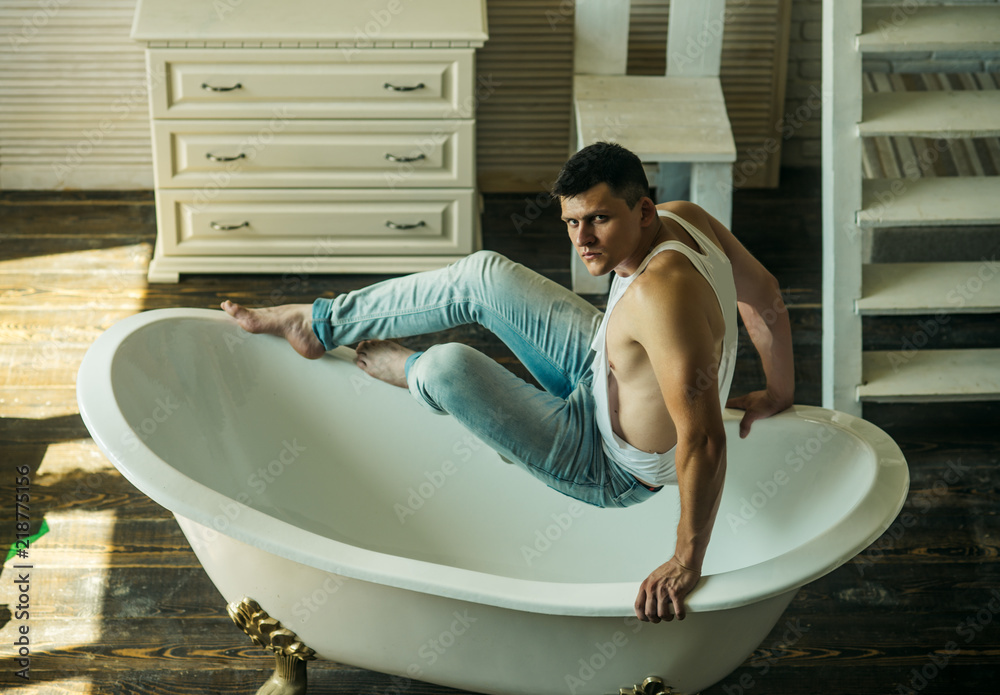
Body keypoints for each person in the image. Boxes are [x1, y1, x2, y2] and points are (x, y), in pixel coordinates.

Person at [221, 142, 794, 624]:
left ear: (643, 210)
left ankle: (411, 372)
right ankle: (319, 323)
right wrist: (778, 393)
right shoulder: (685, 219)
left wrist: (686, 560)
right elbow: (765, 298)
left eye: (599, 219)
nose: (583, 238)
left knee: (449, 366)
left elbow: (704, 440)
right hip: (607, 366)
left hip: (608, 461)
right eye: (572, 221)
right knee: (482, 275)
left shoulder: (660, 296)